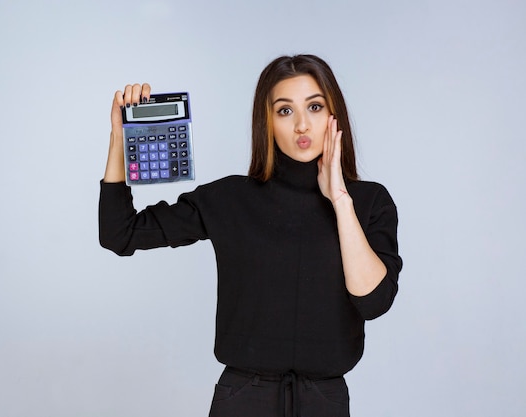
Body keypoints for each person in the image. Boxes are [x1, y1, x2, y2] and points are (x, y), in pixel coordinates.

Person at [99, 54, 402, 417]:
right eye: (285, 111)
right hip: (243, 399)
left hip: (325, 401)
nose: (302, 125)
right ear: (267, 122)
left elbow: (374, 302)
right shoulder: (229, 199)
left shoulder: (369, 203)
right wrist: (119, 137)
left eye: (315, 107)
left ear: (333, 117)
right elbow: (120, 234)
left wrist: (339, 199)